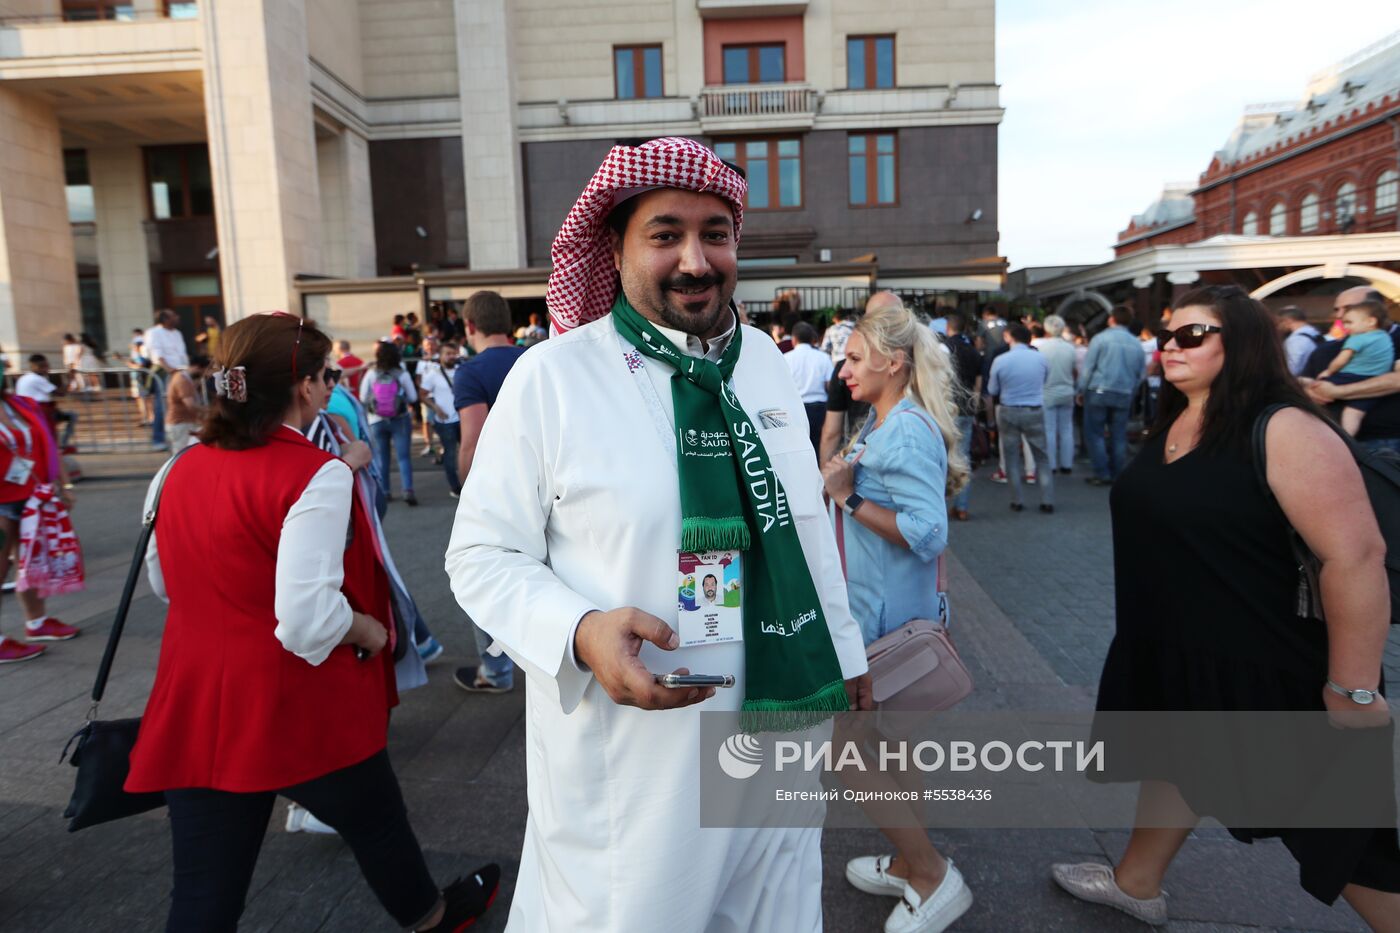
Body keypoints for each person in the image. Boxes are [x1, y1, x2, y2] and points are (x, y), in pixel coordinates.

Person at [444, 137, 869, 932]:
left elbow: (806, 525)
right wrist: (580, 631)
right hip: (640, 759)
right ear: (614, 246)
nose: (696, 260)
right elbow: (480, 554)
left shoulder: (766, 368)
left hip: (777, 728)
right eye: (665, 234)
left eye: (715, 234)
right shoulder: (554, 378)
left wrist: (842, 655)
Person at [125, 313, 497, 930]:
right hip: (298, 702)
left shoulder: (178, 467)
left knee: (201, 895)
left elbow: (165, 584)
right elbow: (305, 620)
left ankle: (433, 914)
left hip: (195, 699)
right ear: (303, 387)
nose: (331, 384)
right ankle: (434, 918)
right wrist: (369, 631)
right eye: (326, 374)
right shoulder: (313, 474)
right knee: (377, 823)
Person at [1051, 284, 1400, 928]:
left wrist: (1352, 689)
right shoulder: (1180, 415)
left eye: (1192, 334)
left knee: (1341, 840)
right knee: (1174, 759)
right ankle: (1137, 880)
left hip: (1266, 665)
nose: (1171, 346)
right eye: (1167, 334)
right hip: (1180, 646)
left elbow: (1355, 557)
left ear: (1239, 343)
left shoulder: (1284, 426)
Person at [818, 301, 975, 933]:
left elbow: (927, 532)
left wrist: (846, 496)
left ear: (894, 361)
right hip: (882, 616)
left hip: (880, 627)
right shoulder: (892, 420)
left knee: (847, 753)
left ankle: (930, 872)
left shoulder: (904, 429)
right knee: (887, 747)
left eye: (855, 357)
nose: (843, 367)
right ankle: (913, 865)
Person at [449, 290, 526, 695]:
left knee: (486, 576)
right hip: (543, 485)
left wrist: (466, 493)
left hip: (497, 491)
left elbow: (471, 440)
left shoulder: (471, 371)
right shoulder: (535, 357)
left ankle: (496, 671)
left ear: (470, 326)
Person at [0, 354, 80, 664]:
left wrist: (62, 484)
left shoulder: (20, 404)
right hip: (2, 501)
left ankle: (36, 622)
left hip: (32, 495)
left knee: (29, 560)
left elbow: (48, 441)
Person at [1304, 288, 1400, 455]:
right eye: (1337, 309)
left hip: (1387, 443)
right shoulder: (1327, 348)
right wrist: (1308, 389)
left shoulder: (1396, 340)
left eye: (1349, 308)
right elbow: (1302, 380)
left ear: (1374, 311)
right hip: (1331, 443)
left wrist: (1337, 391)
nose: (1340, 315)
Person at [820, 294, 899, 463]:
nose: (844, 373)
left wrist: (842, 489)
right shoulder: (878, 418)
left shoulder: (908, 432)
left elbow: (832, 433)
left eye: (855, 359)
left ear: (894, 362)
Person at [988, 323, 1054, 513]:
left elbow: (993, 390)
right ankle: (1047, 500)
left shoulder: (1001, 360)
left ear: (1009, 337)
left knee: (1011, 456)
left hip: (1009, 409)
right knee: (1041, 456)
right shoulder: (1041, 359)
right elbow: (1045, 381)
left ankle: (1017, 500)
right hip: (1034, 409)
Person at [1078, 305, 1146, 486]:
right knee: (1118, 434)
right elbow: (1141, 374)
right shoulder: (1136, 343)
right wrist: (1132, 389)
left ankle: (1102, 473)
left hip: (1099, 390)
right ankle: (1118, 473)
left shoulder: (1100, 339)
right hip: (1124, 392)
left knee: (1095, 433)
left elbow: (1088, 368)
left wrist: (1080, 390)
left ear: (1111, 319)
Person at [360, 340, 418, 506]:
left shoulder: (371, 373)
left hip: (376, 420)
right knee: (404, 457)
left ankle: (385, 491)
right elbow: (413, 397)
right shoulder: (402, 374)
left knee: (383, 457)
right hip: (400, 419)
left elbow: (363, 397)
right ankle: (407, 490)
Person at [944, 312, 982, 521]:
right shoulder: (974, 352)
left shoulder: (943, 350)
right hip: (967, 410)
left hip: (947, 409)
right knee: (964, 457)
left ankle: (941, 505)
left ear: (948, 328)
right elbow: (978, 384)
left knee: (942, 457)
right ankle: (962, 506)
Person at [417, 340, 462, 496]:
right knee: (450, 454)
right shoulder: (433, 374)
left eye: (453, 353)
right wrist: (436, 408)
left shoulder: (462, 370)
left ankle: (470, 483)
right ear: (440, 356)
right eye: (447, 354)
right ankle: (455, 487)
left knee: (470, 452)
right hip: (445, 421)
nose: (451, 357)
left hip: (463, 419)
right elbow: (422, 394)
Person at [145, 309, 190, 451]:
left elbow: (182, 354)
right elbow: (157, 354)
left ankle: (181, 436)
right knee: (161, 405)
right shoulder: (153, 333)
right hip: (165, 372)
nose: (177, 317)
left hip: (181, 371)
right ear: (165, 319)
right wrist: (170, 370)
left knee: (182, 404)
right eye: (173, 316)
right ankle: (158, 438)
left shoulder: (177, 333)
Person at [1039, 314, 1078, 474]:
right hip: (1067, 391)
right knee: (1066, 429)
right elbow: (1075, 371)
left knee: (1049, 429)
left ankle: (1051, 464)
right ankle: (1067, 464)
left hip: (1047, 392)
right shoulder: (1070, 347)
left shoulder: (1041, 348)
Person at [786, 321, 832, 452]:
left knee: (798, 447)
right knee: (817, 445)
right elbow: (829, 385)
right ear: (812, 339)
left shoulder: (786, 358)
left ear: (793, 339)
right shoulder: (823, 358)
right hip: (819, 407)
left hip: (796, 407)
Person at [15, 354, 76, 450]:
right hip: (40, 411)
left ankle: (57, 444)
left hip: (28, 410)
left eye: (47, 366)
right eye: (44, 367)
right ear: (35, 367)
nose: (47, 369)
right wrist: (70, 379)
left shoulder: (24, 378)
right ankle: (62, 445)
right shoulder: (37, 379)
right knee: (72, 416)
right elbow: (60, 393)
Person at [165, 355, 210, 450]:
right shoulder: (182, 381)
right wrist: (209, 411)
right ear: (197, 367)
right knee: (181, 453)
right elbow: (191, 405)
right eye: (203, 371)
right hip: (181, 424)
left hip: (183, 423)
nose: (203, 375)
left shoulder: (183, 378)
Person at [1278, 306, 1326, 377]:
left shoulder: (1295, 340)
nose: (1279, 326)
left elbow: (1292, 370)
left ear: (1288, 321)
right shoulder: (1316, 334)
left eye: (1280, 322)